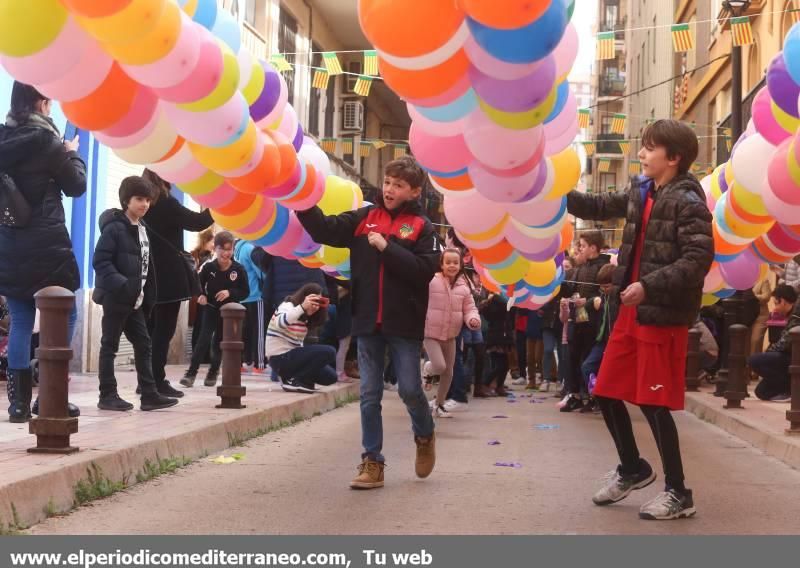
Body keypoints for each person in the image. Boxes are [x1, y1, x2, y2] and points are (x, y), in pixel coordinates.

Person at [567, 119, 714, 520]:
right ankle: (633, 468)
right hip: (630, 313)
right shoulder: (641, 190)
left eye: (650, 148)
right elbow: (596, 206)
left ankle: (679, 492)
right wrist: (550, 192)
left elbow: (698, 258)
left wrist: (648, 286)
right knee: (605, 387)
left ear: (674, 157)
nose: (642, 154)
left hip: (660, 315)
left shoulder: (688, 201)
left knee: (652, 402)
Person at [297, 156, 438, 490]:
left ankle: (424, 434)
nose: (389, 189)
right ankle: (372, 462)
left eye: (398, 185)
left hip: (404, 322)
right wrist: (300, 201)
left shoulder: (422, 226)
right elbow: (325, 229)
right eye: (387, 181)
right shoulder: (365, 217)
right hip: (366, 322)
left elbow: (424, 270)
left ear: (414, 191)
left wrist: (387, 248)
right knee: (369, 393)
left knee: (409, 389)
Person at [0, 82, 85, 422]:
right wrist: (70, 151)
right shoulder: (49, 143)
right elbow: (76, 185)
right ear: (42, 102)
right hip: (47, 242)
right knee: (67, 313)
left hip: (10, 241)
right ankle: (50, 397)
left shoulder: (3, 141)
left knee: (21, 319)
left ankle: (18, 404)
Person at [92, 177, 179, 412]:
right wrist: (122, 286)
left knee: (143, 344)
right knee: (109, 346)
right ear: (126, 201)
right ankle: (107, 395)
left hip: (135, 301)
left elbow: (145, 265)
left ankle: (149, 395)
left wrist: (145, 294)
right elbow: (100, 261)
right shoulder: (115, 228)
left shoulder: (142, 228)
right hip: (117, 298)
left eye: (148, 200)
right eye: (139, 199)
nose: (145, 204)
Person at [141, 169, 213, 398]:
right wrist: (218, 206)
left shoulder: (143, 203)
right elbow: (197, 222)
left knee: (150, 331)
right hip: (168, 277)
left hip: (146, 275)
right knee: (164, 330)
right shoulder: (167, 203)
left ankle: (146, 379)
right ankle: (157, 381)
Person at [180, 231, 249, 387]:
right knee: (203, 339)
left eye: (229, 249)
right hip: (211, 308)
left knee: (219, 341)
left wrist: (230, 292)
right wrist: (201, 296)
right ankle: (191, 373)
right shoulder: (209, 267)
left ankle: (213, 372)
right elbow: (197, 286)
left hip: (229, 313)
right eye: (222, 249)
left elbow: (245, 291)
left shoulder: (238, 269)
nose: (226, 253)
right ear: (215, 249)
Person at [422, 248, 481, 418]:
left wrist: (472, 319)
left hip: (451, 335)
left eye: (455, 262)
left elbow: (470, 308)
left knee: (449, 372)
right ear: (441, 264)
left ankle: (438, 406)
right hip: (431, 333)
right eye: (448, 262)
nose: (452, 266)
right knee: (439, 366)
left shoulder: (464, 287)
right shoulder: (432, 281)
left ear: (461, 265)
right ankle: (427, 369)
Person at [560, 231, 611, 412]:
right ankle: (574, 395)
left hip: (593, 324)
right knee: (572, 358)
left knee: (587, 360)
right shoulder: (580, 268)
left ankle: (591, 396)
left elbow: (604, 294)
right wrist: (557, 281)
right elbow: (570, 288)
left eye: (582, 246)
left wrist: (587, 302)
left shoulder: (604, 267)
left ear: (593, 248)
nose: (579, 249)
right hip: (576, 320)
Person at [265, 283, 337, 392]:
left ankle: (292, 378)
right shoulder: (288, 305)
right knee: (330, 351)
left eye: (320, 302)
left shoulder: (307, 318)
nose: (316, 305)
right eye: (313, 301)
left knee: (331, 377)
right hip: (279, 358)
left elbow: (299, 346)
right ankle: (295, 380)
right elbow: (280, 323)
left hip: (290, 357)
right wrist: (302, 307)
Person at [578, 263, 617, 414]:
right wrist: (589, 302)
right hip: (601, 341)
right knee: (587, 366)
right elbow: (587, 307)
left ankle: (607, 400)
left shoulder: (617, 299)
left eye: (608, 286)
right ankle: (597, 394)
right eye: (602, 287)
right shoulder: (600, 297)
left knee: (610, 373)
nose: (605, 290)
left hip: (613, 342)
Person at [749, 285, 799, 402]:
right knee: (761, 392)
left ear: (783, 301)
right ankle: (788, 388)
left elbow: (784, 343)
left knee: (755, 360)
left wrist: (768, 353)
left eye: (776, 303)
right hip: (791, 357)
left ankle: (791, 389)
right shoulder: (792, 314)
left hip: (795, 359)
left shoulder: (797, 314)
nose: (775, 308)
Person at [234, 238, 271, 373]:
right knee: (259, 330)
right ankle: (259, 364)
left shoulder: (237, 247)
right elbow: (260, 272)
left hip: (243, 296)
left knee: (246, 331)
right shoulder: (250, 249)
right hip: (256, 294)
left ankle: (244, 361)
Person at [475, 293, 514, 398]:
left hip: (503, 337)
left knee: (505, 365)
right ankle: (485, 383)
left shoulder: (497, 303)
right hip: (497, 337)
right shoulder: (496, 303)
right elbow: (502, 305)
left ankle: (499, 386)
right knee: (500, 365)